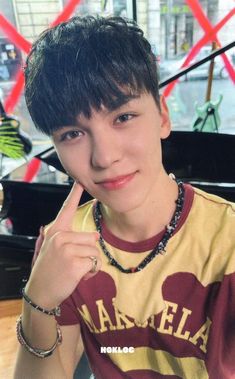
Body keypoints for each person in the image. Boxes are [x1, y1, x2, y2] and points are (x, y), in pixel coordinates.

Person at [14, 15, 235, 379]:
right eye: (72, 134)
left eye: (123, 116)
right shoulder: (63, 245)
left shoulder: (224, 244)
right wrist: (38, 300)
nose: (104, 157)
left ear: (163, 116)